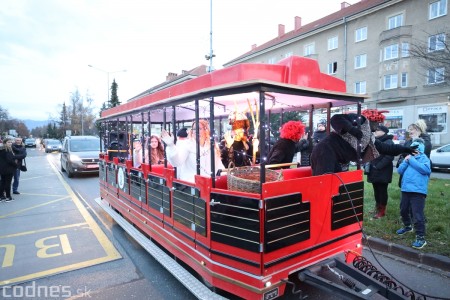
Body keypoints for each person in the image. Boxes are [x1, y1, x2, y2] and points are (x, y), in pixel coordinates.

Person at [310, 113, 419, 176]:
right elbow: (335, 119)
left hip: (337, 158)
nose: (377, 127)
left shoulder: (369, 139)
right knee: (324, 182)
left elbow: (387, 148)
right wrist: (352, 129)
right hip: (324, 151)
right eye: (376, 123)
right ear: (371, 120)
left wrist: (406, 149)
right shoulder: (359, 120)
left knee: (337, 185)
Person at [396, 138, 431, 249]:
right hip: (406, 189)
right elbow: (399, 171)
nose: (413, 152)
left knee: (417, 214)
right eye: (412, 150)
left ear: (420, 150)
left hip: (418, 191)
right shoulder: (408, 158)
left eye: (415, 150)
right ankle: (407, 226)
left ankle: (420, 237)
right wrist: (405, 161)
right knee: (403, 210)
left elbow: (425, 170)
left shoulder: (424, 159)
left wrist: (411, 160)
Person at [366, 125, 395, 219]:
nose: (375, 131)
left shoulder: (388, 142)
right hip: (374, 170)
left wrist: (378, 166)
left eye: (378, 130)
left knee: (382, 191)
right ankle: (377, 208)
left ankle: (382, 211)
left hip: (383, 171)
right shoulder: (375, 141)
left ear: (384, 132)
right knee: (376, 191)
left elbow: (389, 156)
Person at [396, 119, 432, 186]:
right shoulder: (409, 141)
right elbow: (403, 153)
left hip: (418, 171)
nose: (409, 131)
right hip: (407, 169)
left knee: (416, 189)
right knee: (405, 188)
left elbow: (418, 153)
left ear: (419, 129)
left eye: (412, 129)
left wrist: (415, 140)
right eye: (410, 129)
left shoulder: (425, 142)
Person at [0, 137, 19, 202]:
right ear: (5, 143)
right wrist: (16, 165)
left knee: (2, 182)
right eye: (8, 142)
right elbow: (9, 160)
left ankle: (1, 196)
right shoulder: (7, 150)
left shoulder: (1, 150)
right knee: (8, 183)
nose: (10, 143)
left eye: (11, 142)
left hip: (2, 169)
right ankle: (8, 197)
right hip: (8, 169)